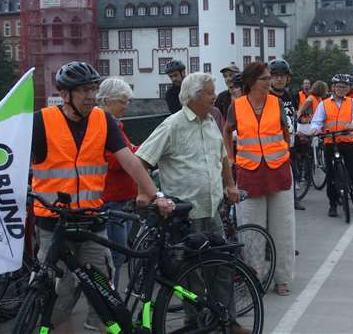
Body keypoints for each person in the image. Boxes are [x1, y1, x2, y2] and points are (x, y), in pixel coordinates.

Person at [31, 61, 173, 333]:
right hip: (54, 225)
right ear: (64, 95)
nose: (90, 96)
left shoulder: (102, 120)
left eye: (93, 89)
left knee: (104, 296)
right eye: (83, 90)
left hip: (92, 223)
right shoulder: (42, 122)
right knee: (56, 298)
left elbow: (130, 162)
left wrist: (155, 195)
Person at [136, 72, 247, 334]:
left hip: (212, 209)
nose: (214, 96)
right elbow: (141, 159)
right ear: (195, 96)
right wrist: (144, 192)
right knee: (191, 274)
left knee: (221, 268)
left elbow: (222, 158)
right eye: (210, 92)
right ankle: (195, 324)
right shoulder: (172, 125)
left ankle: (227, 321)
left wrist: (230, 185)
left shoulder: (211, 121)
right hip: (185, 215)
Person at [222, 62, 295, 296]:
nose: (270, 82)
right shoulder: (237, 106)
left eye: (270, 78)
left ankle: (282, 278)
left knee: (282, 228)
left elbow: (286, 131)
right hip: (249, 173)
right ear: (252, 82)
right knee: (251, 229)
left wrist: (284, 151)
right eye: (265, 78)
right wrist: (230, 158)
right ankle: (255, 276)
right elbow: (226, 130)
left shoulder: (276, 103)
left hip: (279, 170)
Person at [96, 78, 137, 290]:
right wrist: (136, 154)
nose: (126, 105)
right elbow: (113, 160)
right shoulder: (104, 125)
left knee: (117, 255)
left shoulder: (113, 125)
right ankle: (110, 304)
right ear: (106, 101)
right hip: (113, 200)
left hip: (121, 199)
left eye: (128, 101)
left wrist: (132, 152)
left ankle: (110, 301)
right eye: (122, 101)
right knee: (115, 256)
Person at [310, 74, 353, 219]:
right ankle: (333, 205)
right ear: (333, 88)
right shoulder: (324, 104)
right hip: (330, 141)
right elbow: (317, 121)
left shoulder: (352, 102)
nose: (341, 89)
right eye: (338, 86)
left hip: (347, 141)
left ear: (348, 88)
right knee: (330, 175)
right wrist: (315, 129)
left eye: (344, 87)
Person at [268, 59, 305, 211]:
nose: (279, 79)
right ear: (270, 78)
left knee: (293, 173)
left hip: (290, 142)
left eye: (283, 76)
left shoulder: (288, 95)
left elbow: (292, 116)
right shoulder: (268, 97)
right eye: (275, 75)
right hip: (274, 145)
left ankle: (293, 199)